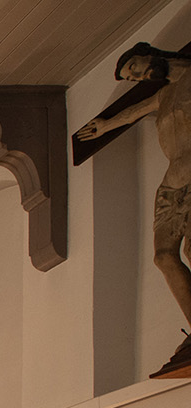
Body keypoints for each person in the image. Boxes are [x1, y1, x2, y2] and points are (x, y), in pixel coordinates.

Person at [78, 42, 191, 369]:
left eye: (136, 69)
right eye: (132, 78)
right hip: (173, 182)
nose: (138, 77)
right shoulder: (163, 95)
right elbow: (132, 112)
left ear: (150, 55)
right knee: (163, 256)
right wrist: (105, 125)